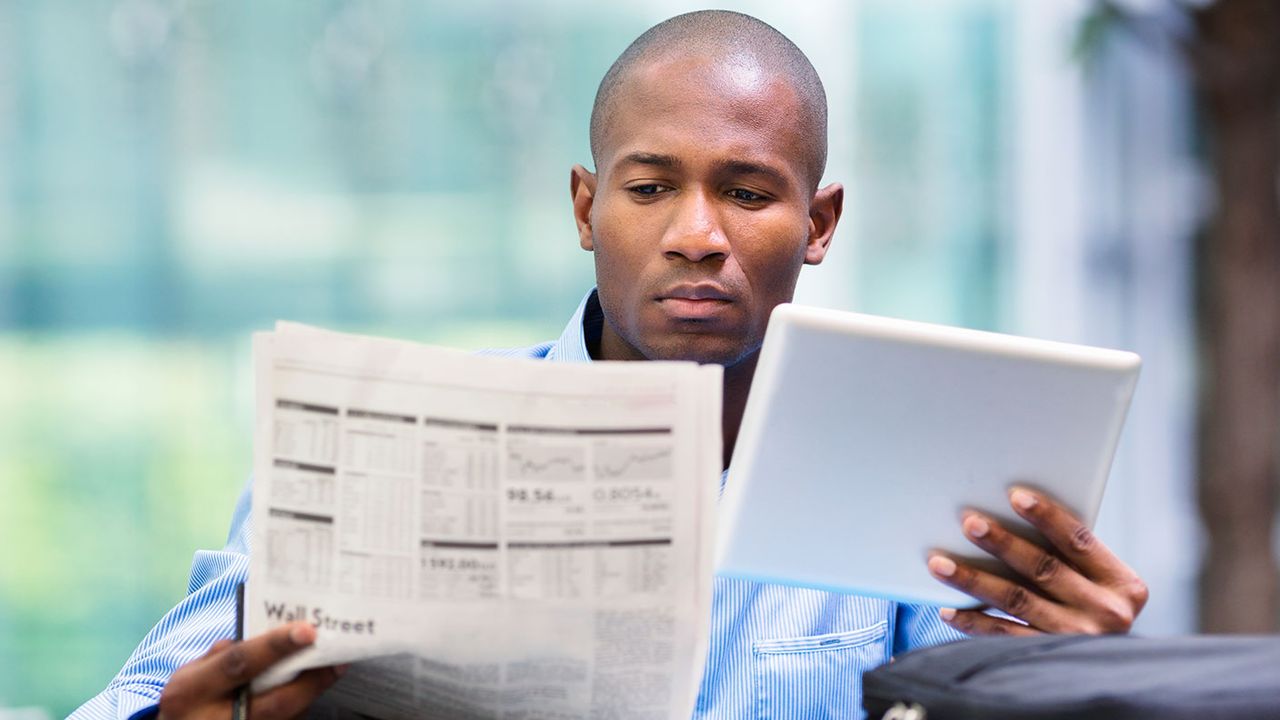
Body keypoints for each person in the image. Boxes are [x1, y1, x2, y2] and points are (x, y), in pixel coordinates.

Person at [71, 10, 1149, 720]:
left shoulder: (919, 489)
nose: (695, 234)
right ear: (585, 208)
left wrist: (1090, 687)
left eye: (746, 191)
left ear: (816, 223)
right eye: (647, 189)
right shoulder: (387, 451)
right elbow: (137, 701)